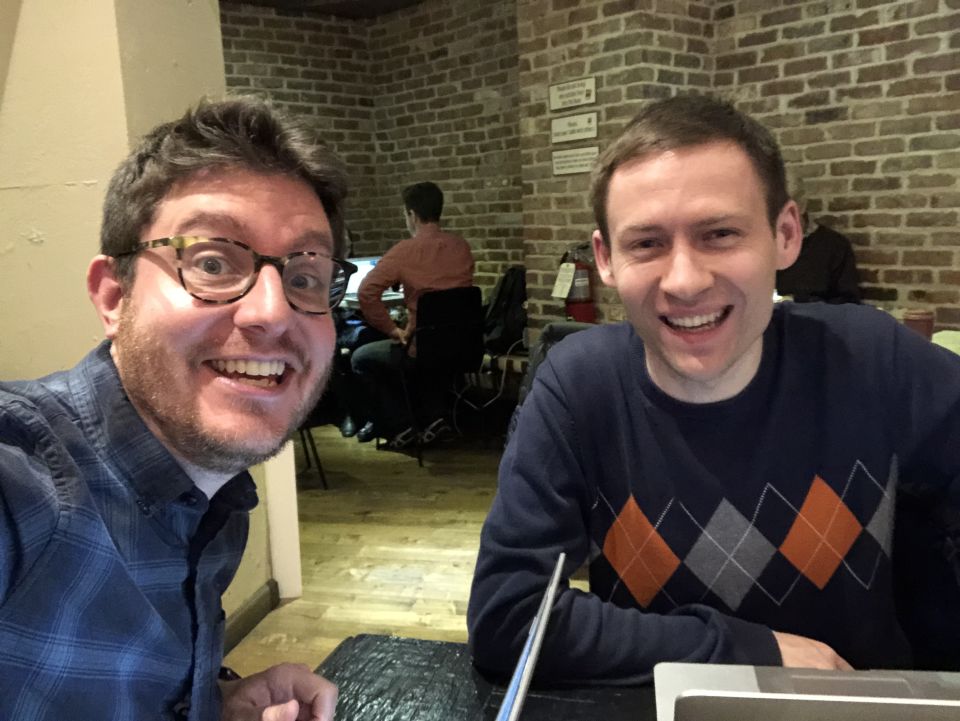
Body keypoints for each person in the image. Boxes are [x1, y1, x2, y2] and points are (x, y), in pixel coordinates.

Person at [467, 94, 960, 684]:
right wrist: (746, 651)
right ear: (605, 259)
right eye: (646, 243)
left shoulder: (872, 358)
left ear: (785, 234)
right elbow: (509, 617)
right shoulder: (578, 388)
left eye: (720, 234)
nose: (684, 280)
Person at [0, 97, 355, 720]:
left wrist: (215, 701)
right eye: (213, 263)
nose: (272, 312)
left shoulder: (216, 497)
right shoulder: (22, 480)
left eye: (305, 276)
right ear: (114, 296)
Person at [350, 181, 474, 448]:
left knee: (362, 357)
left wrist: (393, 330)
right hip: (461, 343)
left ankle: (401, 426)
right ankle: (434, 419)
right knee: (429, 361)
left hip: (421, 346)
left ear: (412, 215)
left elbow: (367, 294)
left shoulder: (404, 251)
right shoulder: (461, 247)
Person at [775, 169, 861, 303]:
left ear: (802, 206)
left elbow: (849, 305)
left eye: (782, 210)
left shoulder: (834, 246)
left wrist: (795, 302)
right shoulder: (756, 244)